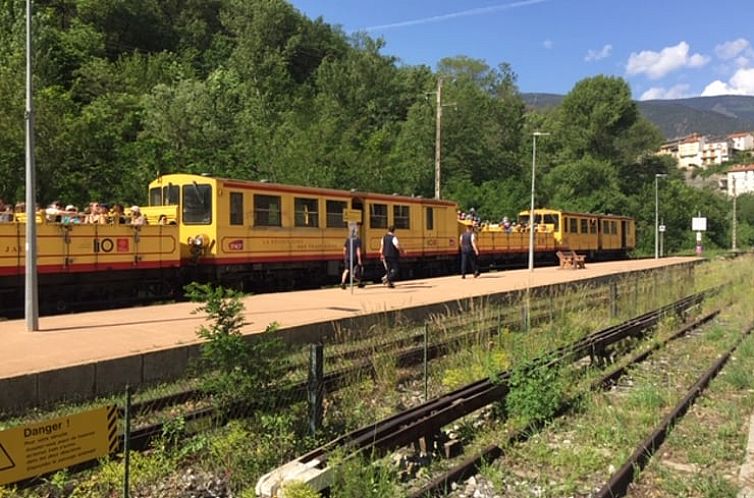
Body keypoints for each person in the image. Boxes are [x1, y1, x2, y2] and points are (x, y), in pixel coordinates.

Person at [340, 224, 363, 289]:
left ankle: (342, 283)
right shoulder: (358, 240)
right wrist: (359, 259)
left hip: (347, 257)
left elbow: (344, 249)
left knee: (346, 270)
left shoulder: (348, 239)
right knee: (358, 269)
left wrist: (345, 256)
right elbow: (358, 250)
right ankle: (359, 282)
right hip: (354, 257)